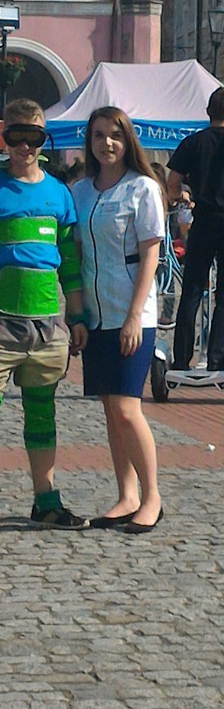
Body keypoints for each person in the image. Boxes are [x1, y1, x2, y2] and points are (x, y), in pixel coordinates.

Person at [0, 98, 88, 538]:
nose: (25, 146)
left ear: (44, 141)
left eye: (34, 137)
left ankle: (46, 501)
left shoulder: (59, 194)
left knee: (42, 415)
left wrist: (77, 315)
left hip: (47, 326)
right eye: (16, 137)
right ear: (3, 139)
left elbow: (69, 262)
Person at [72, 106, 164, 534]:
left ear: (128, 140)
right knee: (111, 410)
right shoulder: (80, 191)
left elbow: (150, 255)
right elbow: (75, 254)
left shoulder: (142, 188)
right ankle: (126, 495)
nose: (106, 143)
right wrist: (75, 313)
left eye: (115, 135)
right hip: (95, 315)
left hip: (132, 314)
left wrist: (133, 317)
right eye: (98, 135)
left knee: (128, 408)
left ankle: (152, 497)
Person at [167, 86, 224, 371]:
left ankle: (181, 358)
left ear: (208, 111)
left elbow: (172, 183)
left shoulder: (193, 142)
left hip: (203, 220)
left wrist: (183, 197)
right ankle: (217, 359)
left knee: (191, 290)